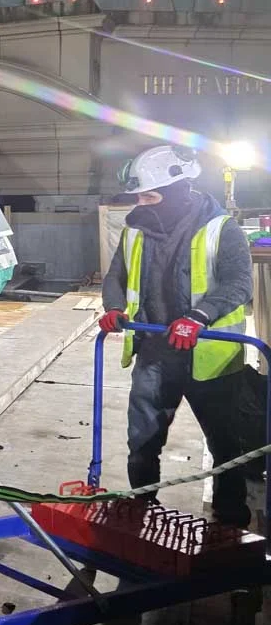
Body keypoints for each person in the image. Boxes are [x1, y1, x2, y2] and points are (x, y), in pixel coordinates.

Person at [100, 143, 252, 527]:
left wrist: (199, 316)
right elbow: (116, 276)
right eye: (139, 197)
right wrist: (114, 306)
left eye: (150, 197)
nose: (143, 204)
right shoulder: (135, 230)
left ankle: (231, 520)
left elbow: (239, 284)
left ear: (179, 190)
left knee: (225, 444)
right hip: (155, 352)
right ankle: (141, 507)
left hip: (211, 357)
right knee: (142, 440)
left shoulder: (221, 228)